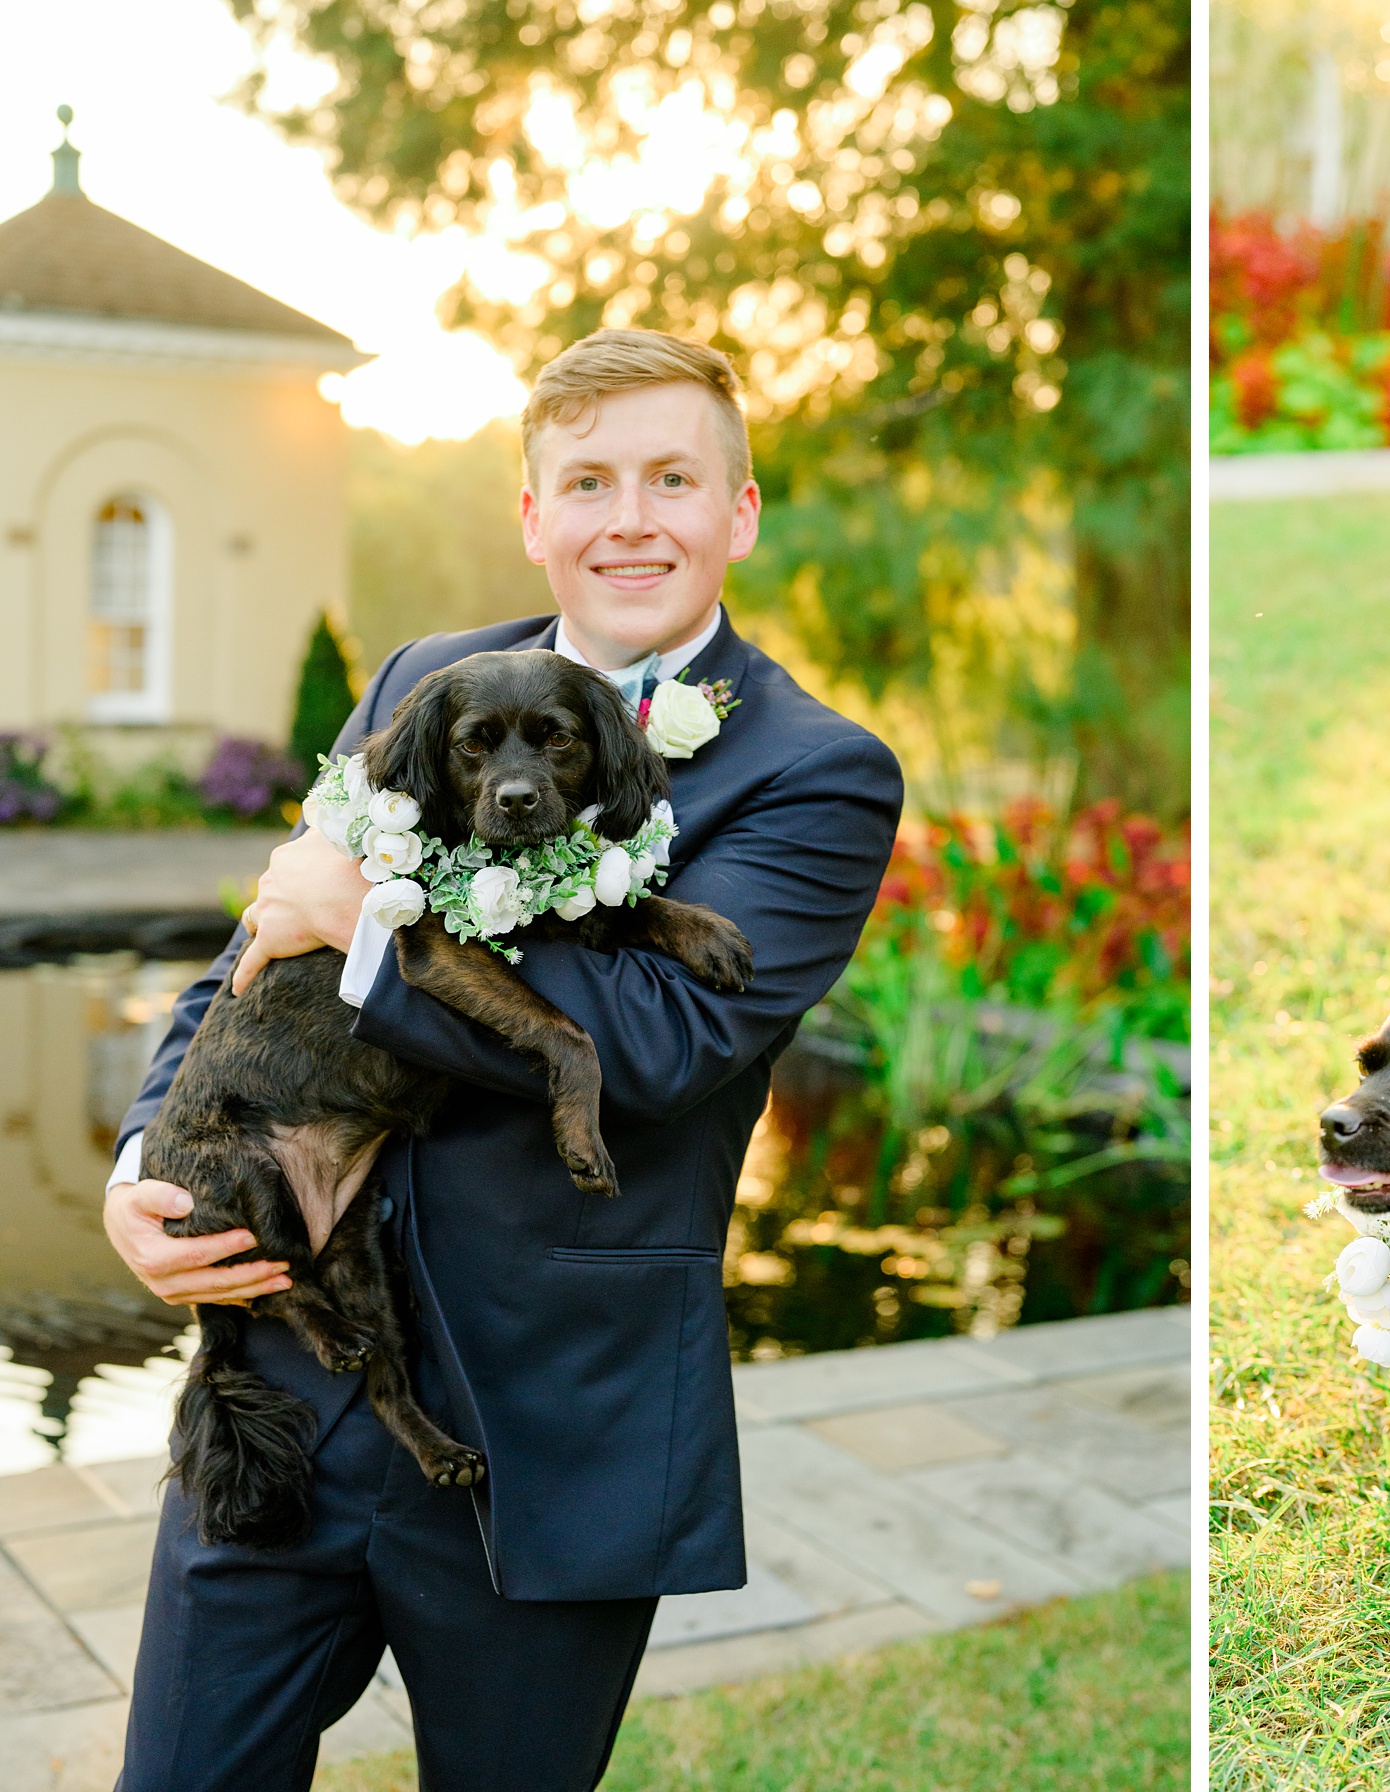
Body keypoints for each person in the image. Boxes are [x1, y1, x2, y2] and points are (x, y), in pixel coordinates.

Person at [100, 329, 904, 1785]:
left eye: (673, 476)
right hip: (287, 1378)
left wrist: (366, 927)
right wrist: (143, 1161)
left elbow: (666, 1042)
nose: (631, 517)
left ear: (741, 510)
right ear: (535, 516)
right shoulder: (425, 677)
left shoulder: (816, 768)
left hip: (553, 1426)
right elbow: (261, 943)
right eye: (587, 481)